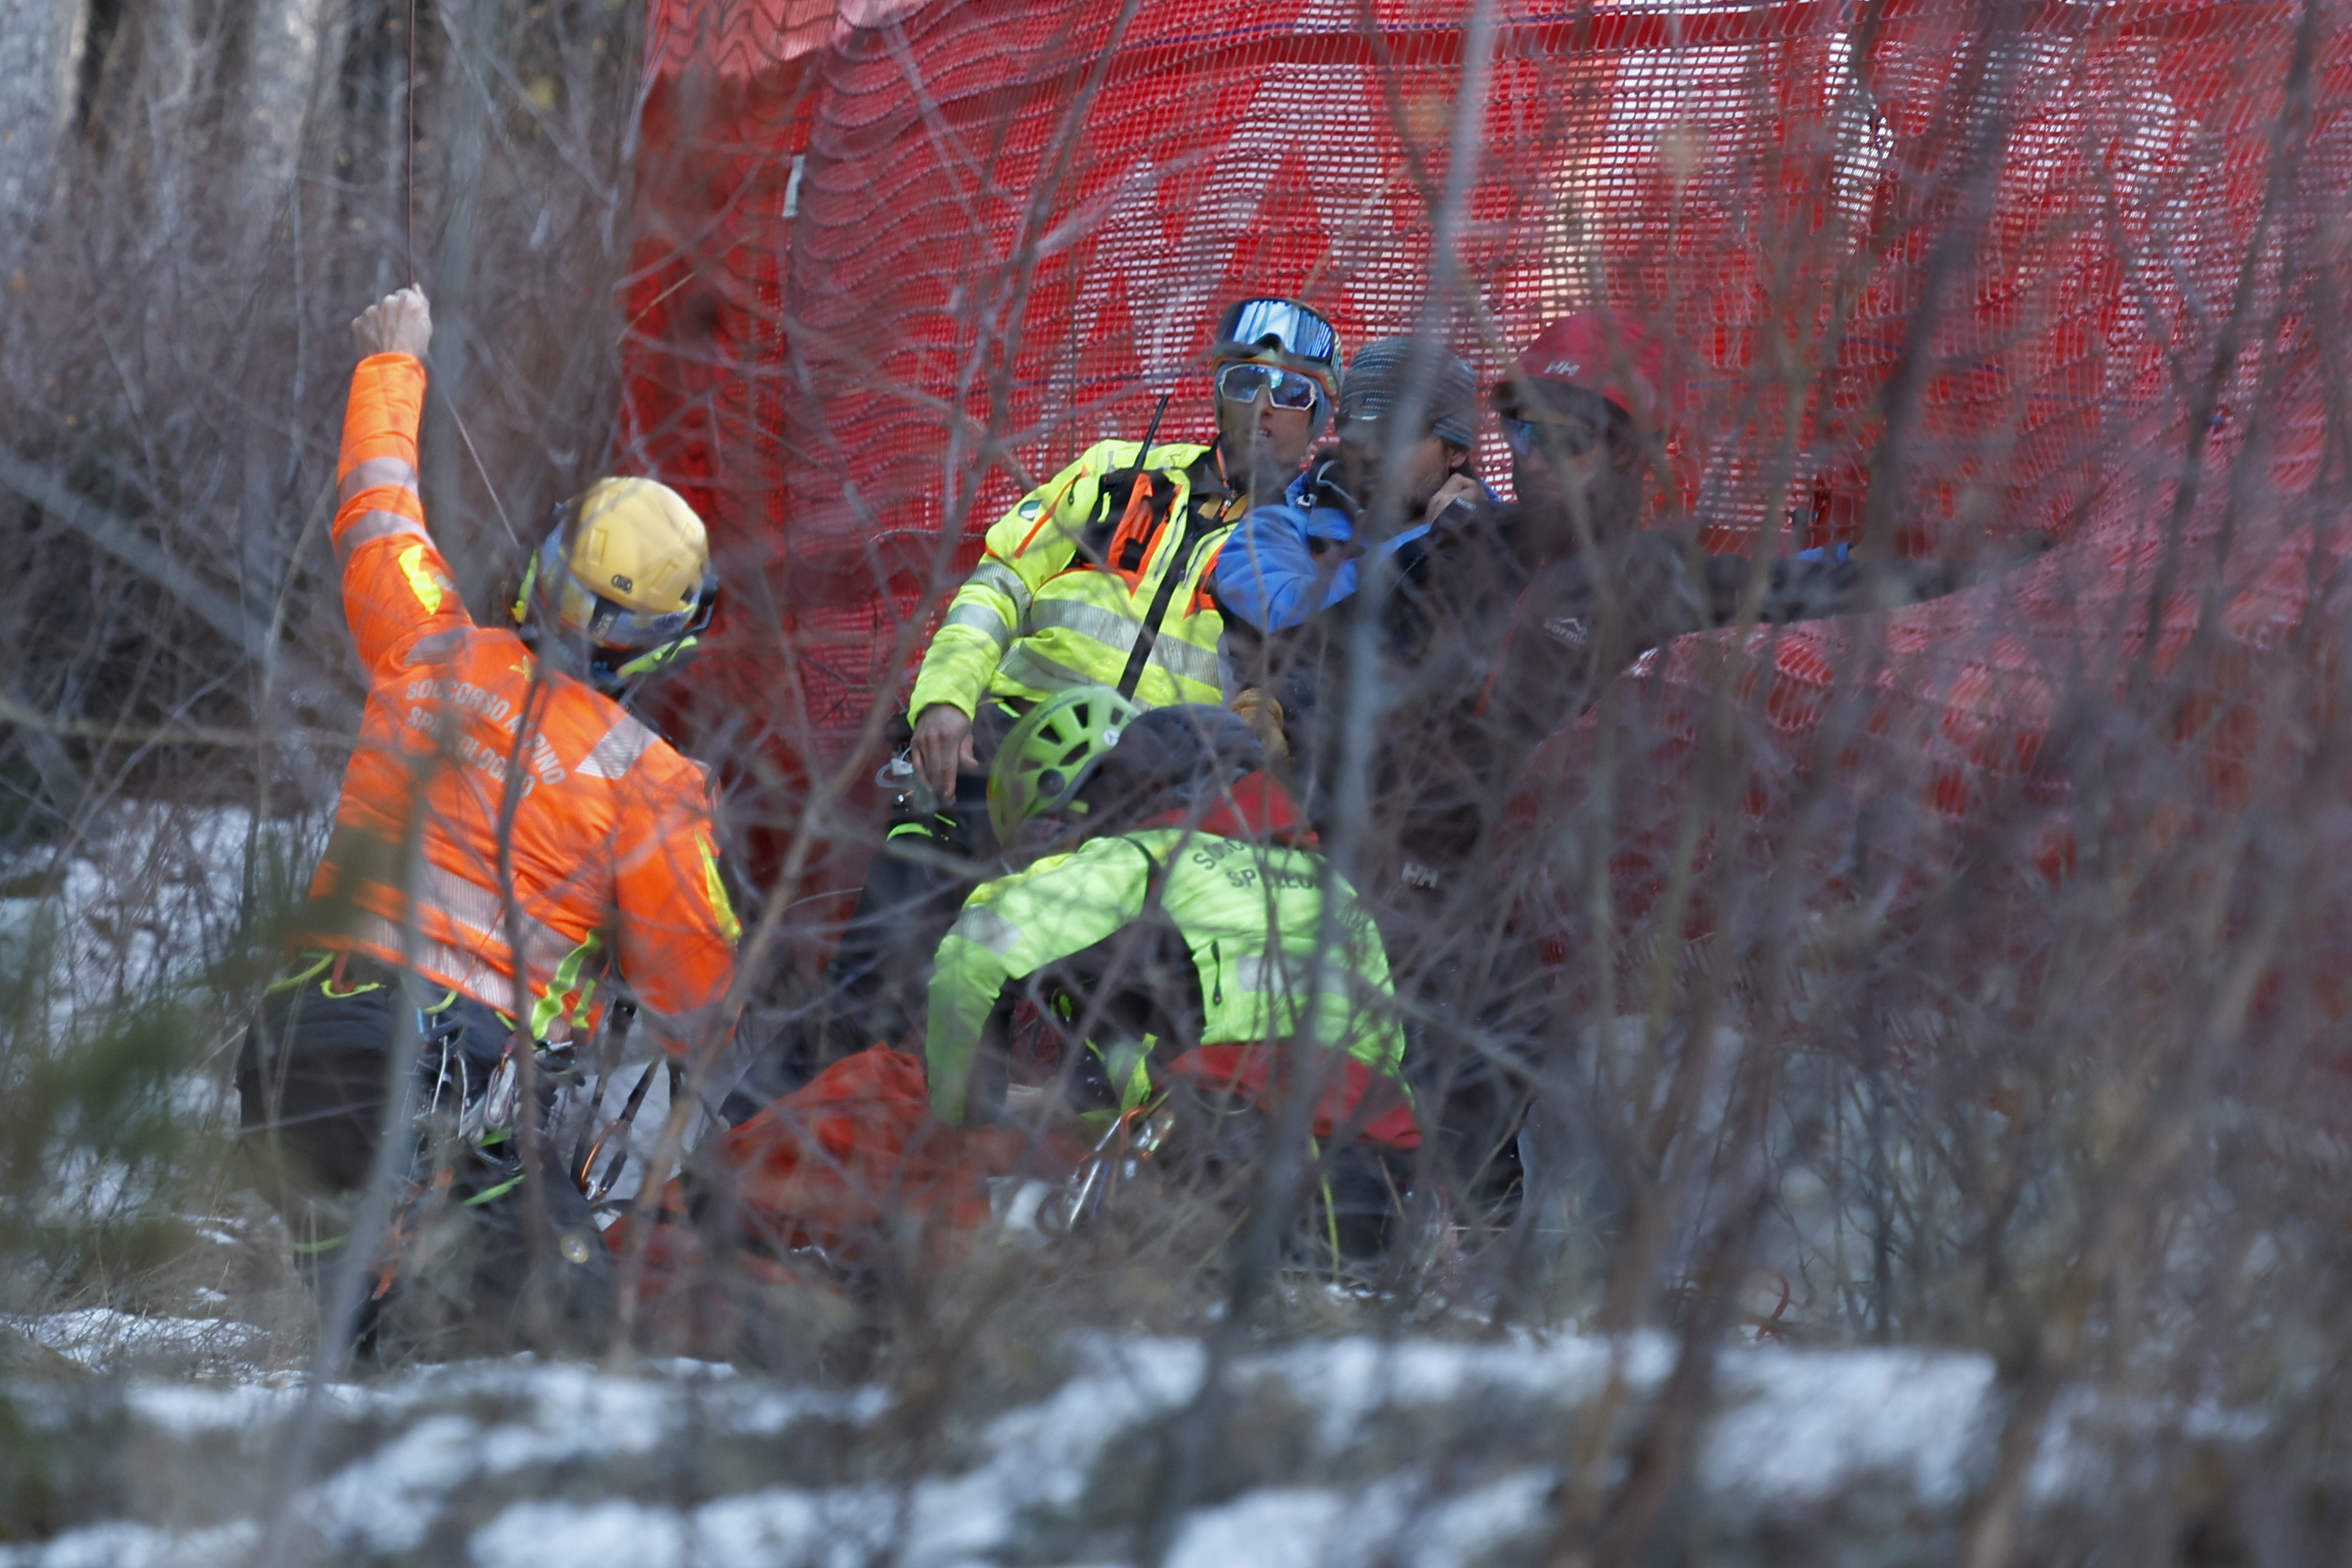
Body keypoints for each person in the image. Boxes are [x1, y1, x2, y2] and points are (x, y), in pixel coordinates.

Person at [236, 287, 742, 1344]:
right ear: (658, 644)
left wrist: (393, 360)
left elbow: (378, 511)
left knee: (369, 1337)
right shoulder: (648, 779)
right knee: (570, 1343)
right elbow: (701, 1000)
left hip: (291, 1054)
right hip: (440, 1090)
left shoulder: (424, 647)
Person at [760, 298, 1348, 1096]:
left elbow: (1298, 693)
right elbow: (999, 582)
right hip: (1000, 749)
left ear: (1325, 416)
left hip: (1149, 800)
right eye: (1248, 379)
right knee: (872, 974)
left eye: (1295, 392)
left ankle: (993, 1195)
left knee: (1084, 1041)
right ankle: (741, 1170)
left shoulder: (1319, 544)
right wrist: (946, 701)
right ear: (1215, 387)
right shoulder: (1112, 473)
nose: (1267, 407)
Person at [923, 688, 1419, 1262]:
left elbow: (977, 951)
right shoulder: (1335, 888)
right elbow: (1373, 1048)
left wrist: (962, 1114)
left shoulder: (1152, 854)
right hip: (1386, 1163)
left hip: (1235, 1141)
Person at [1212, 337, 1493, 774]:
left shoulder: (1493, 540)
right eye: (1360, 428)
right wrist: (1433, 547)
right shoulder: (1283, 523)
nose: (1373, 452)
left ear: (1455, 450)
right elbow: (1290, 619)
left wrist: (1468, 534)